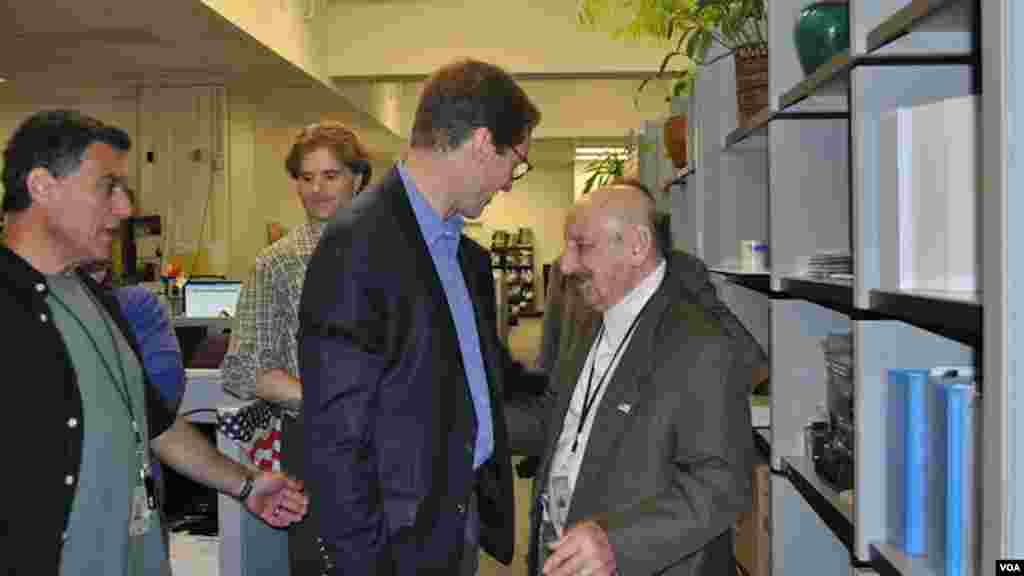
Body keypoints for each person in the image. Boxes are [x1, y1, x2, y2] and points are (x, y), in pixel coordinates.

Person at [0, 109, 309, 575]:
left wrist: (246, 484)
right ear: (42, 186)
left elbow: (150, 420)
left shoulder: (94, 296)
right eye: (108, 186)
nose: (124, 208)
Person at [298, 58, 543, 575]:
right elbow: (337, 442)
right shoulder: (357, 246)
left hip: (455, 520)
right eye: (515, 163)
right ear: (481, 144)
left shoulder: (465, 257)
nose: (509, 183)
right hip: (396, 545)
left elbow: (490, 376)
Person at [505, 183, 756, 576]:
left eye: (581, 246)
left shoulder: (699, 341)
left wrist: (617, 543)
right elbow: (556, 419)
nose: (566, 265)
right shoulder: (596, 319)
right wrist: (473, 426)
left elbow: (722, 484)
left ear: (638, 246)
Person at [220, 120, 371, 574]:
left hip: (388, 438)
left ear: (358, 178)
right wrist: (330, 402)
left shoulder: (390, 256)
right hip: (315, 441)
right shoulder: (277, 264)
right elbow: (244, 368)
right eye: (306, 178)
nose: (317, 189)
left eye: (331, 175)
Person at [539, 178, 768, 390]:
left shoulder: (682, 268)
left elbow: (732, 337)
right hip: (579, 393)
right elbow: (553, 335)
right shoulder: (570, 268)